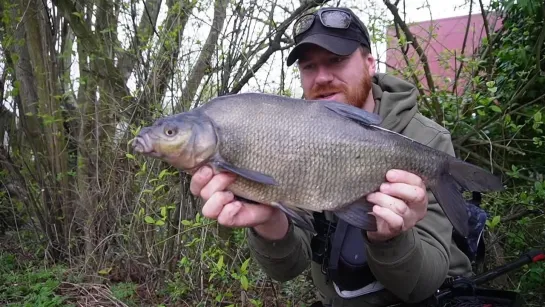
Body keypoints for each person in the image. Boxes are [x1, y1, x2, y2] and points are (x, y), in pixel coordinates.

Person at [189, 6, 473, 307]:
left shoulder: (425, 140)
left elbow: (423, 285)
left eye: (336, 60)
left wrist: (389, 238)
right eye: (309, 66)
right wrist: (271, 222)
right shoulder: (289, 134)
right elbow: (288, 268)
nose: (322, 77)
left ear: (369, 63)